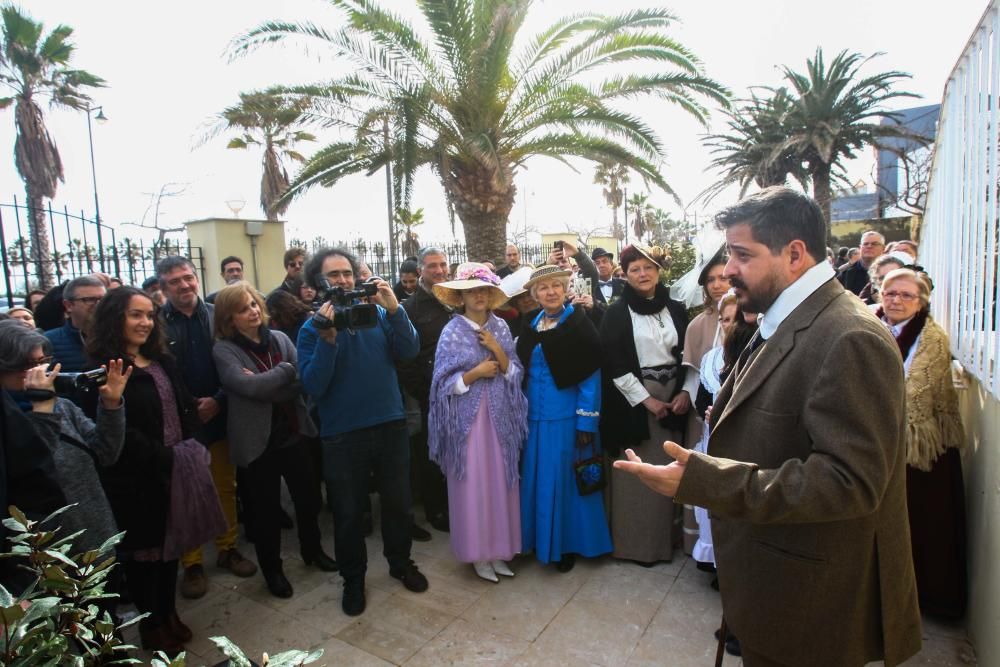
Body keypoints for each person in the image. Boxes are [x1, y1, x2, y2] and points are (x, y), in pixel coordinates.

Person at [615, 186, 921, 667]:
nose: (728, 268)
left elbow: (850, 482)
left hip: (809, 610)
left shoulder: (850, 337)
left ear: (794, 253)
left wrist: (707, 481)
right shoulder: (785, 315)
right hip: (771, 591)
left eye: (741, 254)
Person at [297, 247, 427, 617]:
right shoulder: (312, 329)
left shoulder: (378, 316)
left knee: (398, 503)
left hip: (390, 424)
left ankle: (400, 563)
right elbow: (314, 385)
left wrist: (395, 309)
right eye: (333, 275)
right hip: (342, 435)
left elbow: (409, 349)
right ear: (318, 283)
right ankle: (353, 579)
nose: (342, 280)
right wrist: (328, 342)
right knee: (349, 513)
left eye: (346, 273)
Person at [86, 287, 202, 654]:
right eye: (136, 314)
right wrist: (166, 457)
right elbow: (115, 432)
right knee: (144, 558)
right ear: (115, 318)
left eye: (150, 315)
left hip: (174, 470)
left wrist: (191, 447)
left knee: (170, 551)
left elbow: (184, 405)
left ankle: (168, 613)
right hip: (137, 481)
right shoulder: (105, 369)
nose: (145, 322)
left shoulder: (162, 360)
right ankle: (151, 623)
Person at [212, 282, 337, 599]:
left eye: (254, 304)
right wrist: (282, 373)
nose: (253, 311)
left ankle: (313, 551)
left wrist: (269, 382)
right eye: (243, 309)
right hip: (257, 446)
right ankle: (274, 572)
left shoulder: (280, 338)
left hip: (293, 435)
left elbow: (300, 381)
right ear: (229, 319)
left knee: (308, 501)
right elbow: (246, 387)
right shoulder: (225, 350)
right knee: (266, 515)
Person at [156, 256, 257, 599]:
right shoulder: (156, 326)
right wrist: (188, 410)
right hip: (179, 424)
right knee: (184, 493)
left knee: (224, 487)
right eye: (175, 282)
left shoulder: (218, 316)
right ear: (163, 287)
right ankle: (193, 563)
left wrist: (217, 399)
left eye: (188, 278)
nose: (184, 285)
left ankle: (228, 548)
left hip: (220, 414)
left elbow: (238, 364)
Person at [427, 264, 528, 582]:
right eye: (472, 290)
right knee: (473, 487)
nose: (479, 295)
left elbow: (515, 374)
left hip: (500, 420)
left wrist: (498, 350)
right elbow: (441, 385)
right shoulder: (451, 332)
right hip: (466, 425)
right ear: (461, 297)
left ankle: (499, 551)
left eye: (484, 289)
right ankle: (478, 555)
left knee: (501, 483)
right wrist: (474, 374)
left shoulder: (500, 327)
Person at [877, 268, 967, 619]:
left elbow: (921, 393)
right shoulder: (869, 323)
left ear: (921, 301)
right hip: (874, 441)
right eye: (890, 294)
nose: (896, 301)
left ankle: (916, 600)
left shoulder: (932, 338)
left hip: (917, 447)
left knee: (917, 526)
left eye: (905, 295)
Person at [599, 244, 695, 565]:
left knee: (668, 472)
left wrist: (684, 393)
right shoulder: (616, 313)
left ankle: (663, 543)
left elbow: (690, 356)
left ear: (658, 270)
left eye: (648, 267)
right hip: (634, 403)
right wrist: (648, 401)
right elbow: (614, 364)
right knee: (638, 474)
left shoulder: (678, 309)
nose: (642, 274)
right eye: (635, 269)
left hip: (674, 399)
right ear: (624, 274)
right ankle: (634, 546)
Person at [0, 320, 128, 554]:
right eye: (29, 365)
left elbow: (106, 453)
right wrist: (42, 411)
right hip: (49, 555)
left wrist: (111, 405)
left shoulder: (62, 407)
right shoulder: (12, 419)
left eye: (43, 362)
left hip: (96, 536)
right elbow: (33, 472)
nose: (41, 372)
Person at [516, 265, 612, 573]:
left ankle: (568, 544)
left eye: (556, 286)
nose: (551, 292)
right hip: (535, 419)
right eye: (543, 288)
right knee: (539, 481)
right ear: (534, 295)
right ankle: (539, 539)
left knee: (566, 484)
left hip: (568, 419)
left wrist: (586, 421)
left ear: (564, 288)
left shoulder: (578, 324)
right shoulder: (530, 326)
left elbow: (590, 375)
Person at [397, 246, 453, 535]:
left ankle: (456, 502)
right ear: (420, 270)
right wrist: (424, 392)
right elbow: (405, 360)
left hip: (462, 390)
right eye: (433, 266)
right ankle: (436, 509)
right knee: (432, 454)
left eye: (443, 264)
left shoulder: (456, 298)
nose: (440, 270)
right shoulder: (410, 309)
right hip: (431, 395)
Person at [679, 247, 730, 554]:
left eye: (723, 277)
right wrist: (688, 397)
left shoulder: (753, 317)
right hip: (703, 416)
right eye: (710, 279)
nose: (717, 285)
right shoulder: (698, 324)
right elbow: (694, 373)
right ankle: (703, 547)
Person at [44, 275, 106, 372]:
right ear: (68, 305)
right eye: (90, 300)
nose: (99, 304)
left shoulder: (120, 337)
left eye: (103, 299)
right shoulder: (48, 341)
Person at [837, 230, 885, 295]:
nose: (869, 246)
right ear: (860, 248)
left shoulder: (891, 271)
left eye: (874, 244)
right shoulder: (846, 274)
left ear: (883, 248)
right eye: (865, 244)